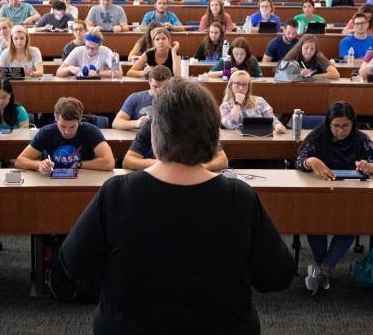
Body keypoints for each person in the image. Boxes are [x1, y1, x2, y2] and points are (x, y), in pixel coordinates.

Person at [60, 77, 295, 333]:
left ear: (155, 135)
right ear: (211, 135)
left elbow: (73, 264)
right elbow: (276, 276)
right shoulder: (240, 197)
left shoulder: (117, 194)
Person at [295, 101, 373, 295]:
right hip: (321, 194)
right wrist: (310, 161)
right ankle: (324, 270)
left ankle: (322, 271)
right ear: (328, 123)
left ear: (353, 123)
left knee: (351, 225)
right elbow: (299, 162)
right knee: (315, 223)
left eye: (346, 126)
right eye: (336, 126)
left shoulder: (361, 139)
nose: (340, 131)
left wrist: (370, 167)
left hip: (350, 195)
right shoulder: (317, 137)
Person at [15, 96, 114, 172]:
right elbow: (20, 161)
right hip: (52, 179)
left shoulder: (90, 131)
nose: (67, 131)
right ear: (56, 118)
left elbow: (109, 162)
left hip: (82, 178)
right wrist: (40, 164)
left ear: (79, 120)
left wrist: (79, 164)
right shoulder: (46, 132)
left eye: (72, 127)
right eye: (62, 126)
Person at [123, 117, 229, 171]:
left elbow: (222, 159)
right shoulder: (152, 124)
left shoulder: (200, 123)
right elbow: (128, 161)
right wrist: (165, 165)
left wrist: (195, 168)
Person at [220, 70, 286, 133]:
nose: (241, 88)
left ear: (248, 87)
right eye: (237, 83)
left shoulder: (259, 101)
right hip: (236, 142)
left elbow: (272, 120)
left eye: (244, 84)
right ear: (230, 85)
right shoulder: (224, 106)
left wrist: (277, 125)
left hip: (259, 140)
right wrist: (238, 103)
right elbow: (230, 125)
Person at [112, 65, 172, 130]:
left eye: (163, 87)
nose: (159, 91)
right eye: (155, 87)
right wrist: (136, 123)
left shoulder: (175, 100)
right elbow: (116, 123)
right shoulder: (135, 98)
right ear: (149, 82)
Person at [57, 29, 121, 78]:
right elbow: (58, 72)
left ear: (99, 45)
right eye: (87, 47)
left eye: (93, 48)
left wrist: (97, 73)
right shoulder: (77, 50)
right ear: (85, 43)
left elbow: (118, 73)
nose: (89, 51)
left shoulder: (106, 51)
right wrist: (70, 68)